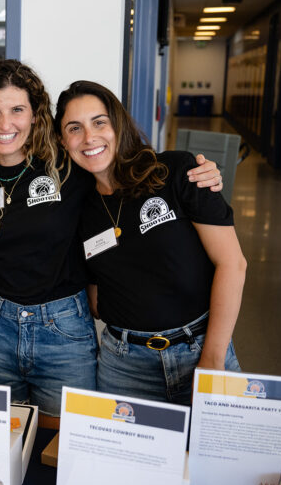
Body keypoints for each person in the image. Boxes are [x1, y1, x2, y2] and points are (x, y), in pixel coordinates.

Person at [0, 60, 223, 423]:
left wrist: (200, 173)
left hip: (64, 329)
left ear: (35, 115)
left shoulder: (68, 165)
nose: (5, 123)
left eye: (17, 110)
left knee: (66, 446)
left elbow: (123, 173)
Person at [55, 80, 245, 404]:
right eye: (75, 128)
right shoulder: (77, 207)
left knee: (218, 453)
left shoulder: (175, 172)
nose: (89, 138)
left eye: (99, 122)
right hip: (124, 367)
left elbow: (233, 264)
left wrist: (212, 358)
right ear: (62, 140)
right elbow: (95, 298)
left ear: (118, 124)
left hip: (201, 348)